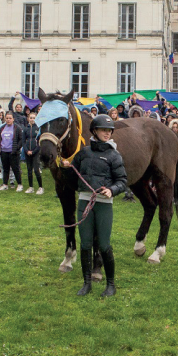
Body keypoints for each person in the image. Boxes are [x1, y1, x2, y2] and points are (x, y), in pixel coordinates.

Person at [62, 115, 127, 297]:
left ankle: (111, 284)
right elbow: (73, 181)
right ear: (95, 131)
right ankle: (87, 283)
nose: (107, 133)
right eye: (104, 130)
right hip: (84, 202)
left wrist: (112, 190)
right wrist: (66, 169)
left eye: (109, 130)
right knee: (85, 244)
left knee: (105, 245)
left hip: (104, 204)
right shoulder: (83, 153)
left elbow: (122, 180)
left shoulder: (114, 155)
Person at [0, 111, 23, 191]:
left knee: (15, 168)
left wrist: (17, 148)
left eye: (10, 118)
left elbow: (21, 139)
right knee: (5, 169)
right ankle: (5, 184)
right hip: (3, 151)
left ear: (13, 119)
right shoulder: (2, 128)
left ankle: (20, 184)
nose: (8, 120)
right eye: (7, 118)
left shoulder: (17, 128)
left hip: (13, 152)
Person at [21, 111, 44, 194]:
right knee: (29, 170)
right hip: (27, 152)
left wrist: (34, 151)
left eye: (34, 118)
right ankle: (31, 187)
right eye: (30, 118)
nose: (32, 119)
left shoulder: (38, 129)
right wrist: (27, 150)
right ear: (28, 119)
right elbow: (23, 141)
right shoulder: (25, 129)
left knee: (36, 170)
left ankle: (40, 187)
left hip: (36, 152)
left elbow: (39, 141)